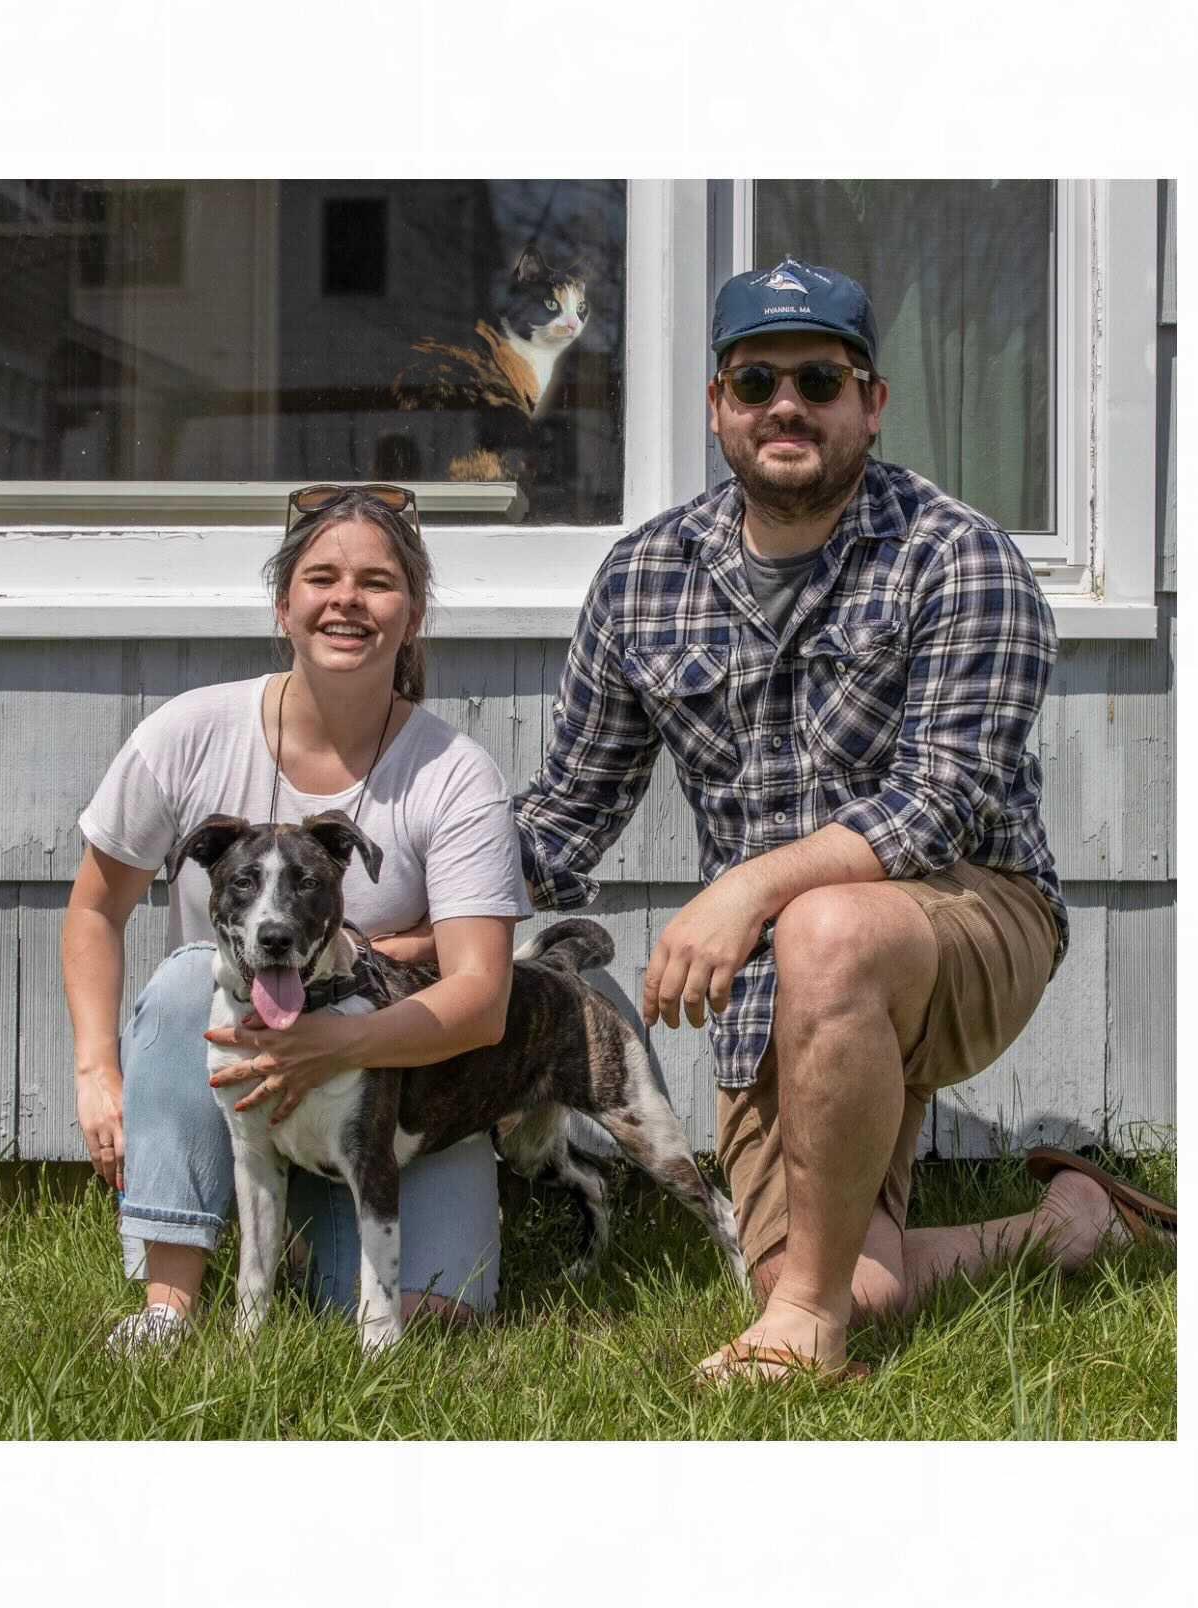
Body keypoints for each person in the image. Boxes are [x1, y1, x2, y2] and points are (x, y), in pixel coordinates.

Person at [505, 257, 1178, 1383]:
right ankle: (1064, 1227)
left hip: (972, 915)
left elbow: (938, 802)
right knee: (856, 1272)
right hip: (776, 975)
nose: (786, 404)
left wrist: (751, 887)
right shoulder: (643, 579)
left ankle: (801, 1337)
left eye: (820, 379)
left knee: (829, 928)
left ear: (871, 403)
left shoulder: (959, 555)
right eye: (755, 377)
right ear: (718, 404)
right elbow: (563, 817)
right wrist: (392, 891)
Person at [63, 483, 530, 1353]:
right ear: (285, 605)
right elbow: (96, 908)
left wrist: (340, 1044)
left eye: (377, 582)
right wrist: (96, 1069)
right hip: (236, 1073)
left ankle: (315, 1238)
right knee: (181, 982)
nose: (346, 599)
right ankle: (170, 1302)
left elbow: (483, 996)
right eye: (321, 577)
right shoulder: (191, 733)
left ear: (413, 613)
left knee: (438, 1315)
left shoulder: (454, 774)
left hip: (392, 1087)